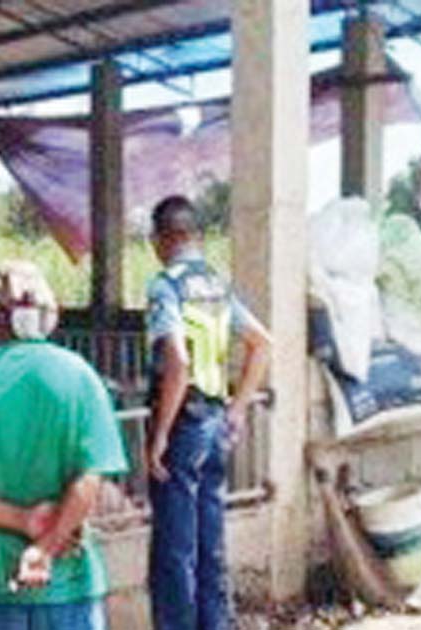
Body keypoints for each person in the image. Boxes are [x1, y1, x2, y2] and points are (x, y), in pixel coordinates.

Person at [0, 260, 128, 630]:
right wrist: (47, 545)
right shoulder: (80, 378)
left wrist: (22, 520)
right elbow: (89, 481)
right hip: (67, 582)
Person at [144, 196, 272, 630]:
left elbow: (177, 364)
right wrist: (237, 410)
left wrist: (160, 434)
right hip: (216, 423)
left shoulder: (166, 286)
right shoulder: (218, 285)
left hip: (185, 425)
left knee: (175, 549)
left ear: (161, 239)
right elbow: (262, 343)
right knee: (210, 542)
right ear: (196, 236)